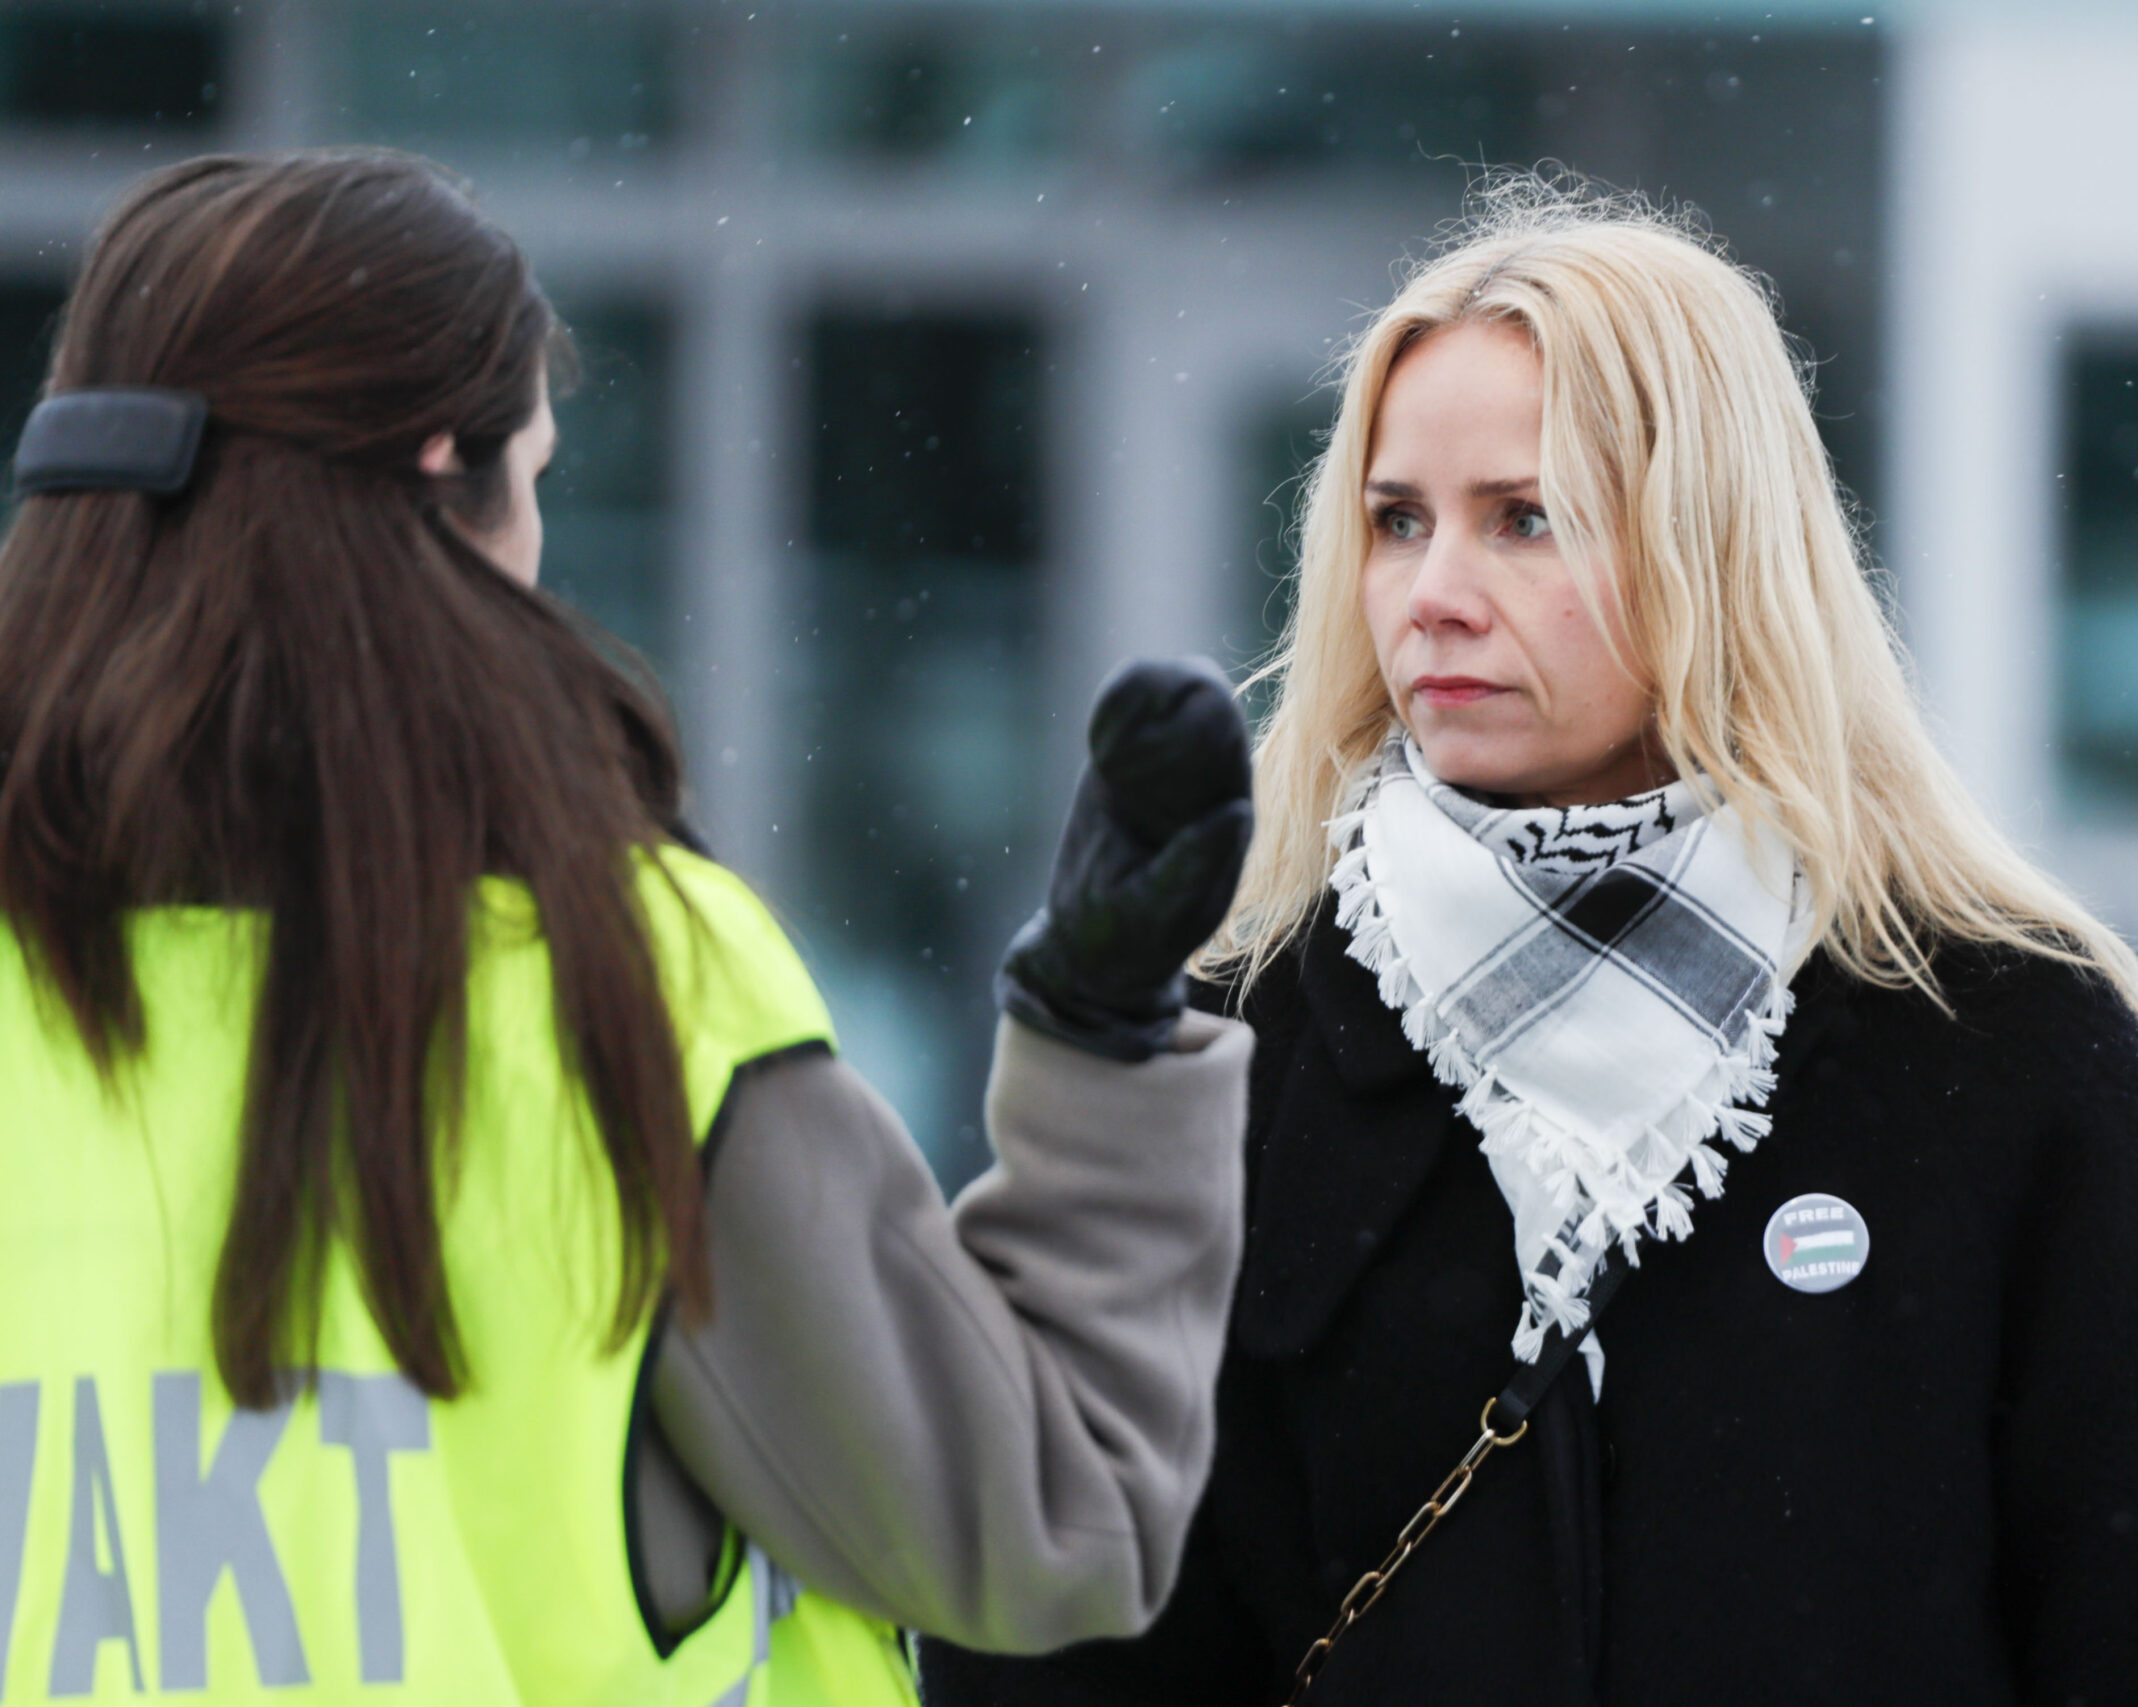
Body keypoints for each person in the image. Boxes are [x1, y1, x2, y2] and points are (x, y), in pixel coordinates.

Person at [920, 176, 2138, 1706]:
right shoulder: (1237, 1050)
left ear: (1706, 548)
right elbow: (1046, 1635)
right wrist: (1085, 1072)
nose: (1435, 597)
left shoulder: (1991, 1037)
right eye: (1398, 523)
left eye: (1526, 521)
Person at [0, 149, 1257, 1705]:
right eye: (531, 476)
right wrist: (1102, 1036)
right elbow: (1048, 1521)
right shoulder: (610, 996)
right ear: (441, 480)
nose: (538, 548)